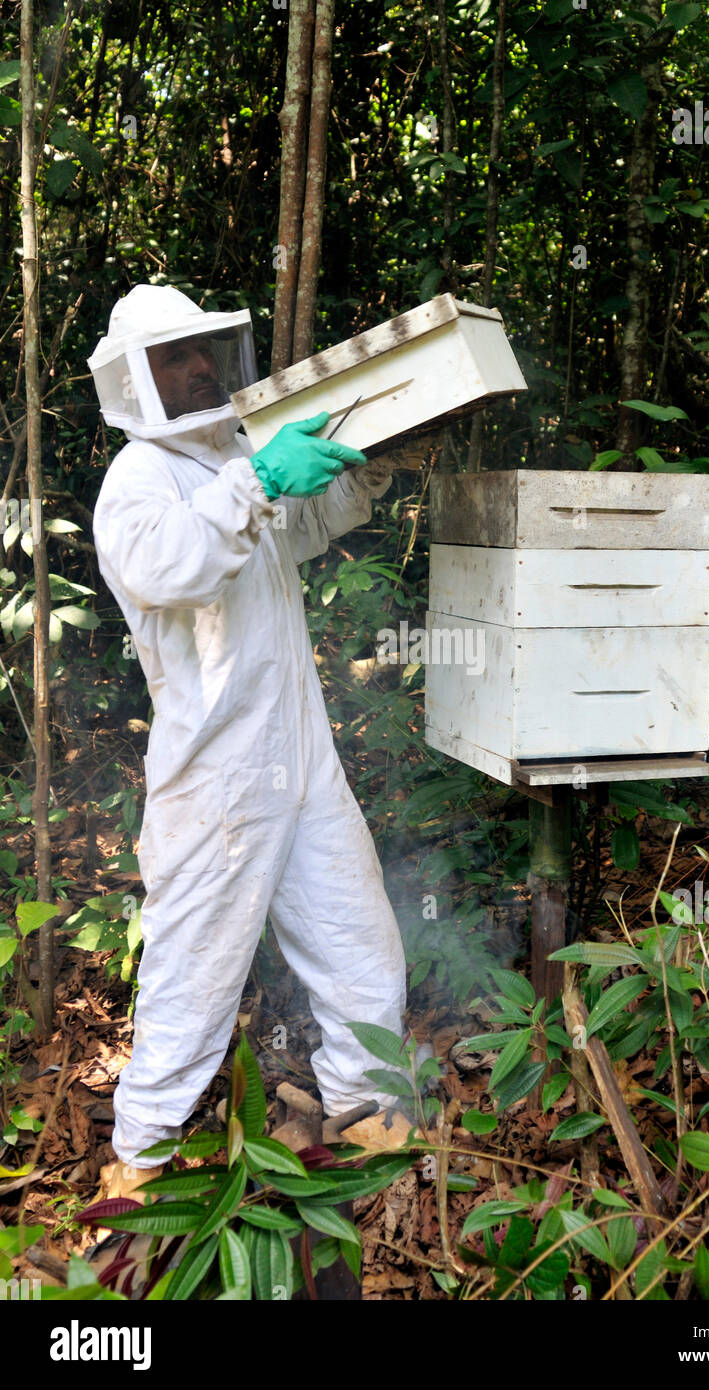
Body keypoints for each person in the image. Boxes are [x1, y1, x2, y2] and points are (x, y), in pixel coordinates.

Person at [88, 284, 411, 1199]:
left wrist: (368, 465)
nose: (195, 371)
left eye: (201, 353)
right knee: (196, 971)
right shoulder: (139, 479)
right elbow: (167, 568)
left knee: (360, 940)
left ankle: (368, 1111)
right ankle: (140, 1163)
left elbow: (290, 529)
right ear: (136, 381)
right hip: (219, 772)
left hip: (301, 755)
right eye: (171, 360)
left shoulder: (232, 453)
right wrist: (259, 478)